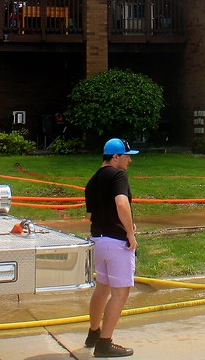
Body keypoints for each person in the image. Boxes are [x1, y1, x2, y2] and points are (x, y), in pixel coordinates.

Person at [84, 138, 139, 358]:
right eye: (127, 156)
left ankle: (93, 333)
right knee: (120, 292)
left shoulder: (92, 180)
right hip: (117, 243)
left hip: (98, 240)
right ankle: (105, 344)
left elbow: (89, 215)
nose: (130, 160)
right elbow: (121, 203)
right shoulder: (118, 175)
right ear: (115, 157)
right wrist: (130, 232)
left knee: (102, 288)